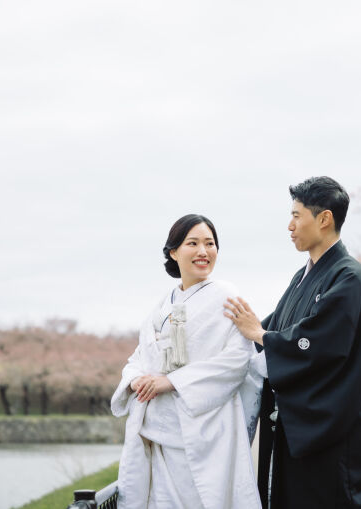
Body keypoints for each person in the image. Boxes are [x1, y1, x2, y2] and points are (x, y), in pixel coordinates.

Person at [225, 176, 361, 509]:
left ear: (324, 219)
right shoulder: (303, 277)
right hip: (296, 436)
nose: (290, 225)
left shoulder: (350, 278)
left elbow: (319, 344)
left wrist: (262, 336)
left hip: (333, 442)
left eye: (297, 215)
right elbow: (271, 329)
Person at [110, 214, 263, 509]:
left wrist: (172, 381)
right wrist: (136, 379)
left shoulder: (228, 297)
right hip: (160, 431)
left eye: (210, 244)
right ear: (174, 252)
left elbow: (237, 360)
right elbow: (140, 357)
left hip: (207, 429)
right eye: (193, 243)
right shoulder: (161, 305)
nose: (203, 252)